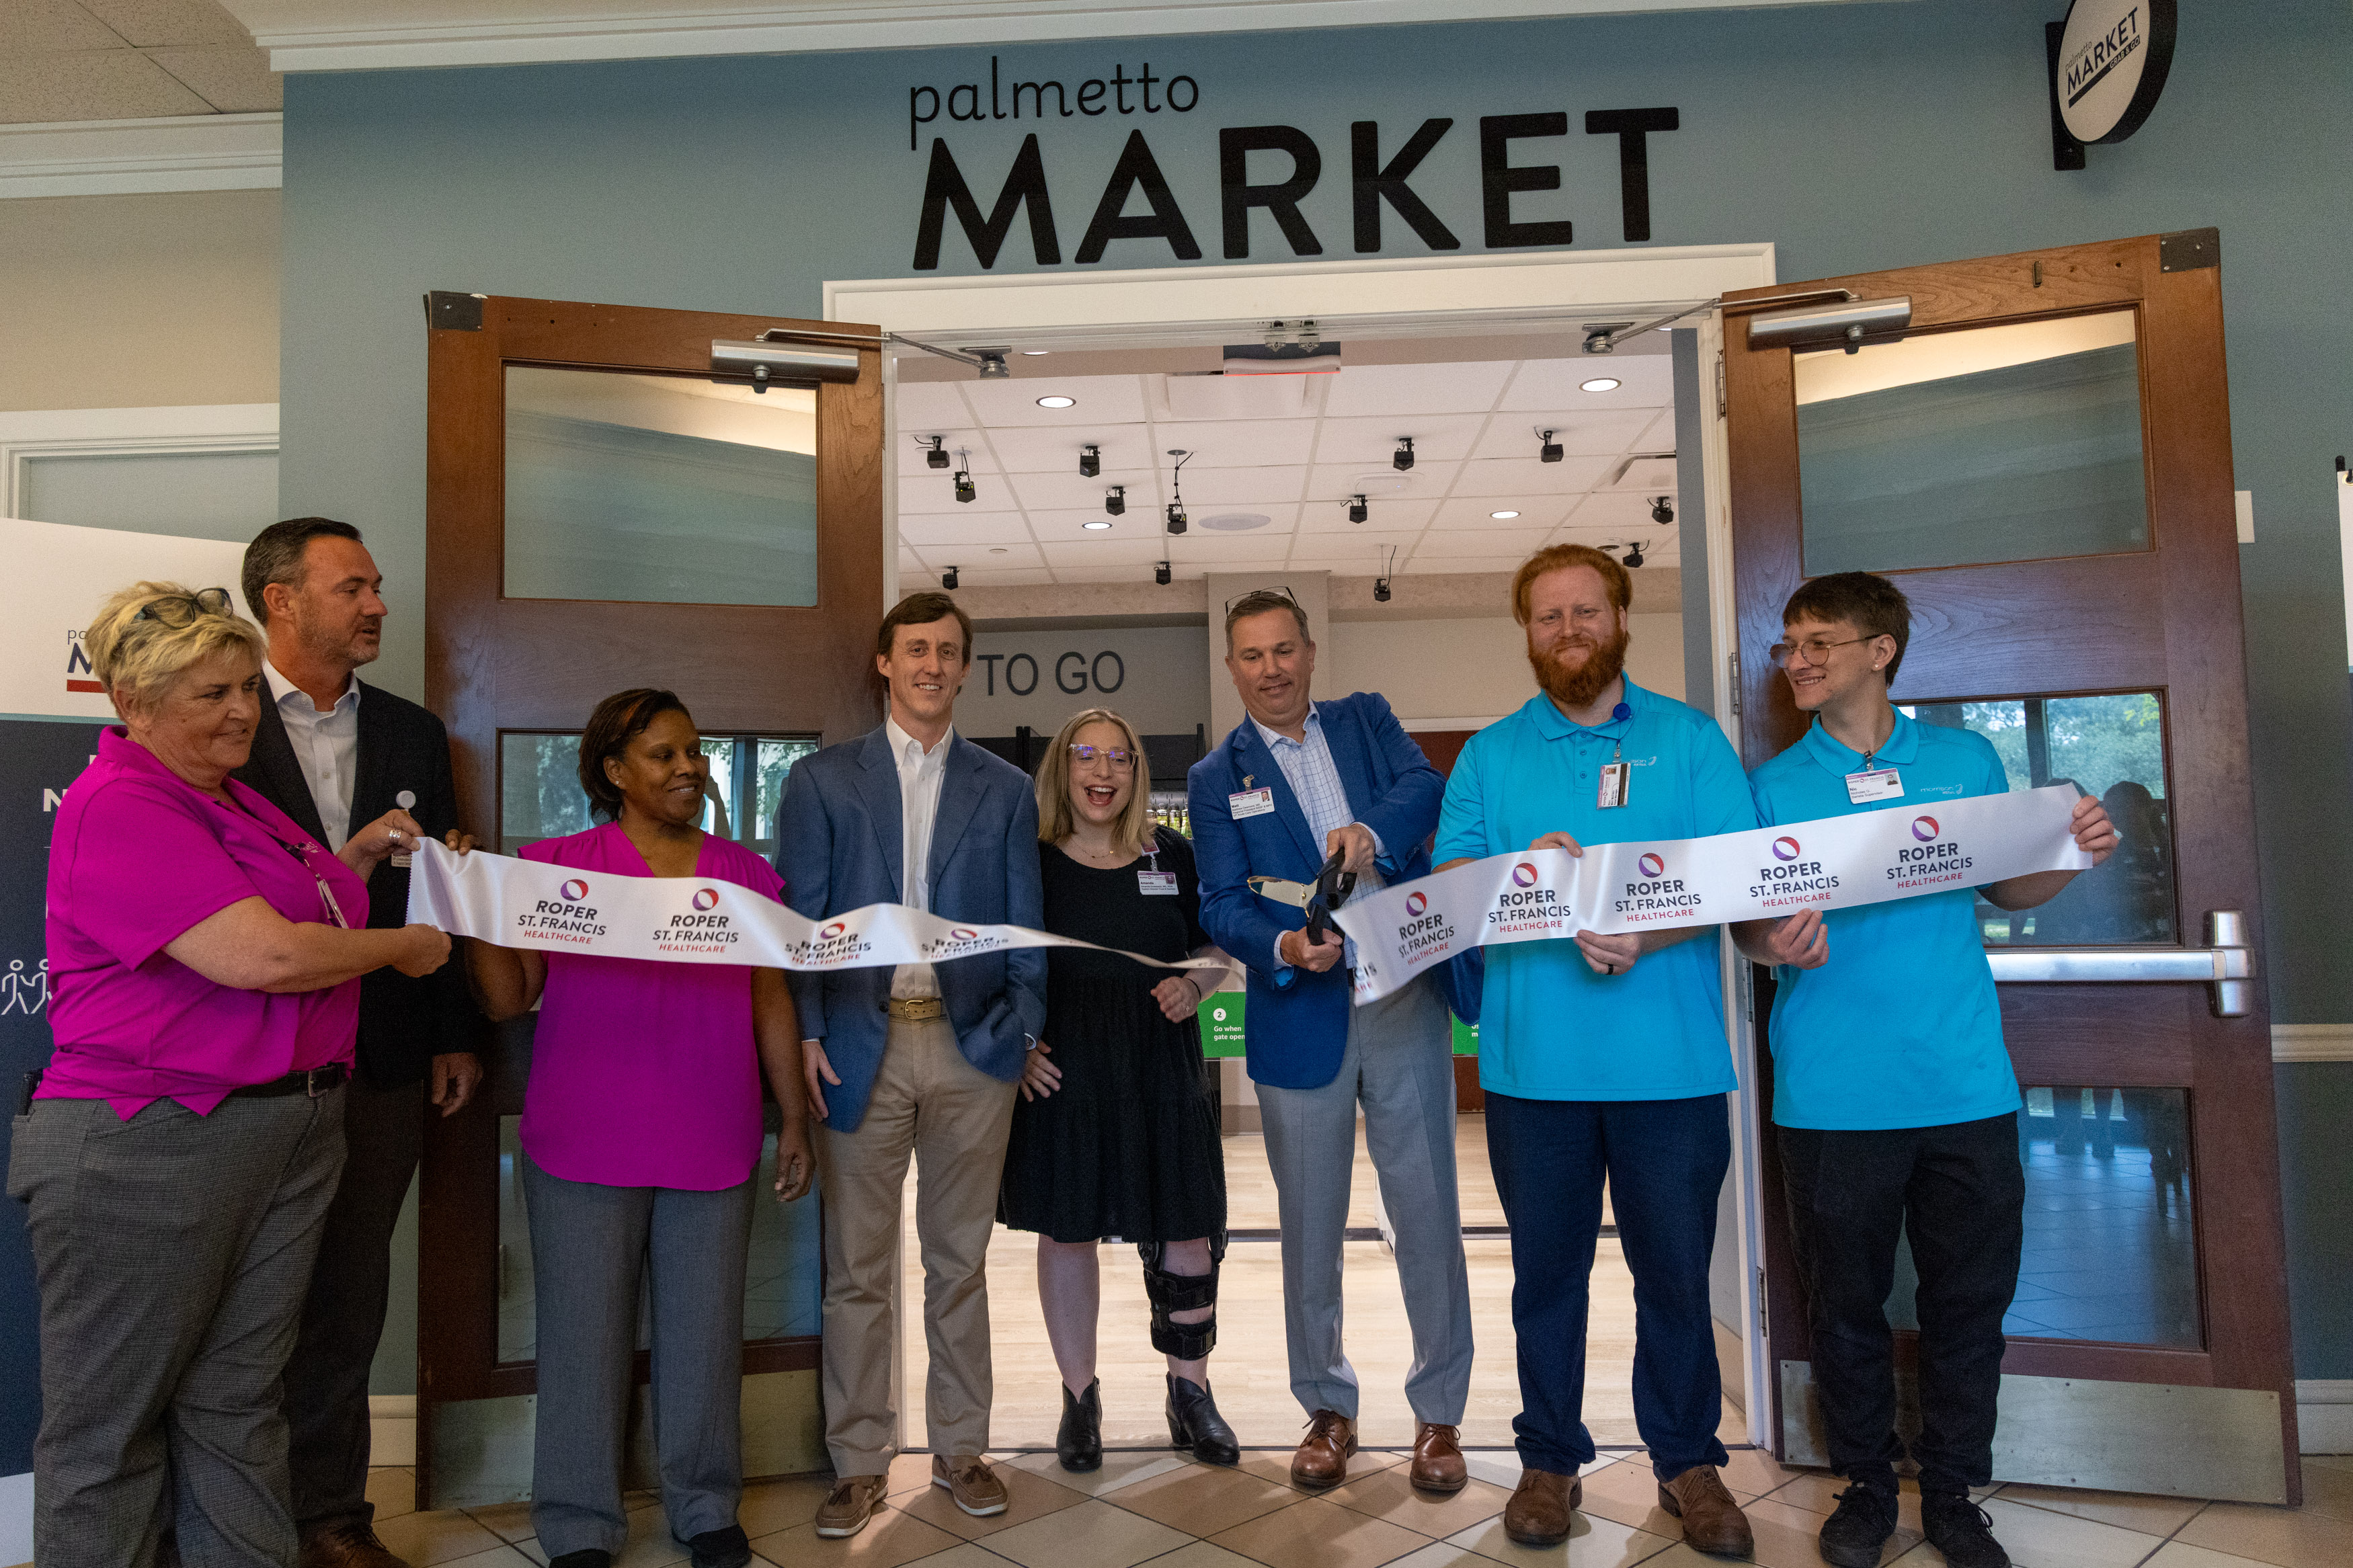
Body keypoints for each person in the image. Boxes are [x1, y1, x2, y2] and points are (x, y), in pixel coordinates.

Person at [9, 582, 450, 1568]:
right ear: (134, 701)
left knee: (238, 1402)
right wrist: (405, 946)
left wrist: (355, 855)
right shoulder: (123, 803)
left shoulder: (230, 794)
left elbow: (302, 910)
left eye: (247, 687)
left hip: (285, 1128)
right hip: (153, 1139)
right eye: (211, 693)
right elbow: (265, 955)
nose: (243, 711)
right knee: (108, 1427)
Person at [1732, 572, 2114, 1568]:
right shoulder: (1770, 784)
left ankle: (1950, 1492)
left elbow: (2009, 887)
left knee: (1966, 1306)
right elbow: (1746, 926)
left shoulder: (1963, 758)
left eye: (1818, 642)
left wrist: (2073, 852)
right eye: (1788, 645)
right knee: (1843, 1309)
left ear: (1880, 650)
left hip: (1962, 1085)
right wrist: (1775, 945)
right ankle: (1865, 1487)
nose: (1798, 660)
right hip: (1830, 1092)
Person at [1431, 544, 1756, 1556]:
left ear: (1620, 617)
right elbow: (1450, 896)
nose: (1568, 630)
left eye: (1586, 611)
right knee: (1546, 1279)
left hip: (1673, 1068)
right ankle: (1548, 1460)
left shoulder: (1690, 740)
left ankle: (1687, 1461)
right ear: (1526, 632)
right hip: (1535, 1075)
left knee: (1675, 1276)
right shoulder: (1489, 755)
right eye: (1548, 616)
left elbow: (1740, 876)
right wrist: (1520, 873)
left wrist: (1645, 934)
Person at [466, 688, 814, 1568]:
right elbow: (509, 997)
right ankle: (579, 1521)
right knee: (582, 1341)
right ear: (615, 772)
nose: (689, 768)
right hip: (582, 1138)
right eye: (664, 755)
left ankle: (704, 1505)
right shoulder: (554, 868)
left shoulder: (742, 875)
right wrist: (476, 910)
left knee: (704, 1338)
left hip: (711, 1133)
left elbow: (771, 999)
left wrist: (794, 1118)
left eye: (694, 751)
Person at [230, 517, 484, 1568]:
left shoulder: (414, 732)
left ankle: (331, 1517)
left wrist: (454, 1031)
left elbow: (442, 893)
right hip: (251, 1059)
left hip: (382, 1053)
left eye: (376, 585)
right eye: (354, 588)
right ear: (280, 600)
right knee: (248, 1303)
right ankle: (233, 1522)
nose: (379, 604)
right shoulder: (222, 723)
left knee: (347, 1296)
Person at [1187, 588, 1474, 1495]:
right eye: (1252, 655)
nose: (1270, 669)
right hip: (1298, 1012)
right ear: (1232, 667)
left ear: (1309, 652)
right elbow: (1219, 902)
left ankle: (1439, 1413)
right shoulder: (1214, 777)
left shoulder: (1365, 720)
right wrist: (1281, 945)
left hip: (1400, 997)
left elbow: (1426, 787)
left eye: (1284, 649)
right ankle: (1326, 1408)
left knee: (1426, 1212)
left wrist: (1371, 831)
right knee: (1309, 1226)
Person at [772, 592, 1045, 1538]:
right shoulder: (821, 782)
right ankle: (857, 1463)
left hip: (973, 1050)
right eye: (916, 649)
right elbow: (802, 921)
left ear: (965, 668)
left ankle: (961, 1449)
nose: (932, 664)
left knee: (958, 1262)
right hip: (859, 1042)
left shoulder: (1004, 787)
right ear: (885, 663)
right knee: (857, 1269)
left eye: (948, 651)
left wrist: (1021, 1025)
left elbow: (1024, 925)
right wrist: (808, 1030)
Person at [998, 707, 1238, 1473]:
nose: (1102, 772)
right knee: (1068, 1231)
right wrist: (1016, 1045)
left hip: (1161, 1064)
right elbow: (991, 957)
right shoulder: (1028, 859)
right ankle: (1080, 1399)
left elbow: (1217, 945)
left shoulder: (1174, 855)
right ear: (1061, 769)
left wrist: (1195, 985)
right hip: (1065, 1071)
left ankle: (1190, 1392)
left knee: (1187, 1229)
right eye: (1086, 756)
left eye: (1119, 757)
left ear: (1136, 770)